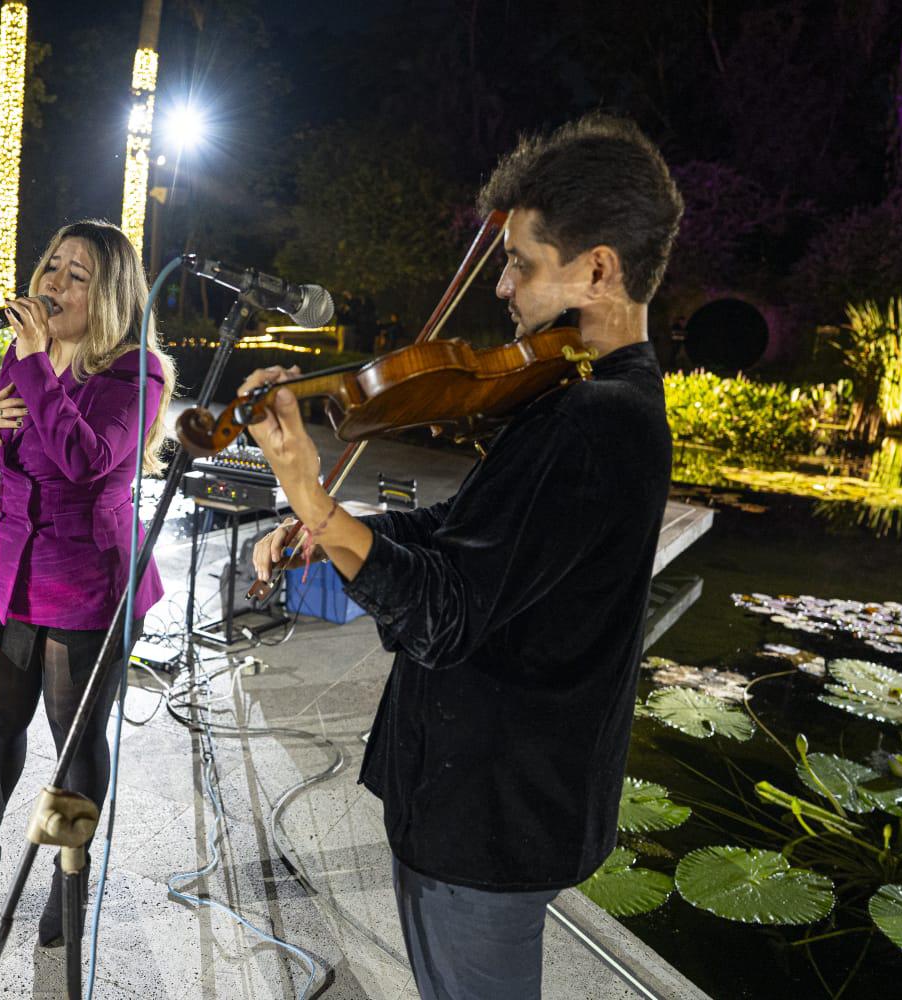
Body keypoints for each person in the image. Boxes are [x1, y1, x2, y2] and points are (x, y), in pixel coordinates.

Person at [247, 113, 682, 1000]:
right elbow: (464, 537)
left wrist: (310, 494)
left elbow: (445, 613)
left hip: (492, 815)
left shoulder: (599, 421)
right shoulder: (590, 401)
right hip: (488, 804)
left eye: (522, 262)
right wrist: (332, 528)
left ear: (596, 269)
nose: (502, 286)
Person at [0, 220, 176, 947]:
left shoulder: (134, 375)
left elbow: (83, 460)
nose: (53, 284)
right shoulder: (29, 355)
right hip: (10, 572)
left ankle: (69, 881)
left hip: (87, 584)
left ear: (110, 293)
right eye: (52, 267)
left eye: (75, 275)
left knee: (73, 743)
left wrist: (33, 365)